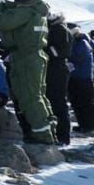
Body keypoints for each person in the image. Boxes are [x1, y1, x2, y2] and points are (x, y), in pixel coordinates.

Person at [0, 0, 56, 144]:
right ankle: (49, 130)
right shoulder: (37, 11)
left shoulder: (26, 12)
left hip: (25, 58)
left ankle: (43, 136)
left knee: (30, 97)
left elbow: (3, 22)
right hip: (36, 57)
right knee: (39, 95)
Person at [44, 13, 73, 145]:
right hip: (58, 68)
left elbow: (60, 51)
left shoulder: (58, 30)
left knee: (58, 102)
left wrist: (45, 48)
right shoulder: (62, 28)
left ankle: (63, 136)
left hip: (56, 69)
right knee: (58, 101)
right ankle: (62, 135)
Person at [68, 24, 94, 133]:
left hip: (82, 79)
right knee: (78, 103)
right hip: (80, 78)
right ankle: (84, 124)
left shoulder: (82, 43)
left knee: (84, 104)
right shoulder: (81, 42)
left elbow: (75, 57)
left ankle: (88, 126)